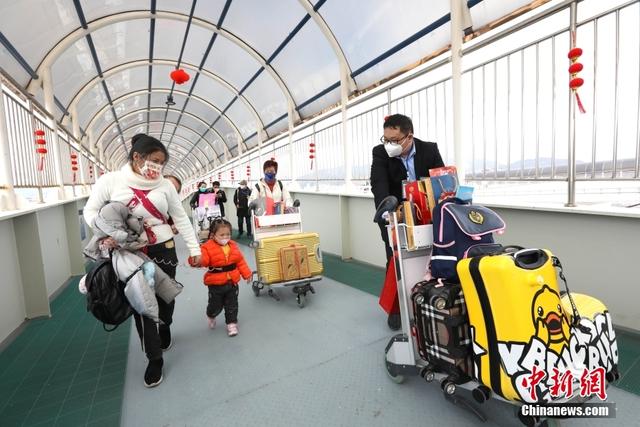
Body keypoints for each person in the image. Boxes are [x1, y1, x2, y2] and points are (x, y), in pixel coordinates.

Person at [84, 134, 202, 388]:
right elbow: (91, 211)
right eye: (155, 161)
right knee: (142, 303)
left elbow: (180, 217)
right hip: (132, 254)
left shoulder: (165, 185)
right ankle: (154, 358)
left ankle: (166, 324)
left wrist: (194, 248)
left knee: (165, 297)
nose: (158, 167)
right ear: (137, 156)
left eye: (162, 163)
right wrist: (106, 233)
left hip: (163, 249)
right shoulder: (111, 181)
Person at [370, 114, 444, 330]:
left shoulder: (429, 150)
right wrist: (388, 211)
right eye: (386, 140)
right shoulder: (380, 152)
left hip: (427, 216)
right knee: (395, 262)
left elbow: (440, 182)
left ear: (409, 136)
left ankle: (431, 302)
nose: (389, 145)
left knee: (432, 258)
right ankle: (396, 309)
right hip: (395, 215)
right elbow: (378, 184)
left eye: (394, 140)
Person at [199, 218, 252, 337]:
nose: (225, 237)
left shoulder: (233, 245)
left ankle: (231, 324)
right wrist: (196, 259)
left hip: (232, 282)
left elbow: (240, 261)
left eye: (228, 234)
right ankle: (211, 315)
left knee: (232, 305)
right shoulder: (206, 247)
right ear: (213, 235)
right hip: (215, 284)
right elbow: (204, 261)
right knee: (215, 306)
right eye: (222, 235)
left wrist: (247, 274)